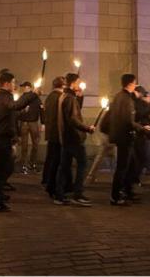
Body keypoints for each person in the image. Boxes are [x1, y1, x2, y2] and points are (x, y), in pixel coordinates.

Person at [0, 71, 39, 212]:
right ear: (6, 83)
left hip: (4, 137)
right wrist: (32, 94)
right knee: (2, 170)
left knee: (7, 167)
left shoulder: (5, 97)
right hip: (1, 138)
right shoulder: (3, 96)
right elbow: (14, 106)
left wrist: (22, 112)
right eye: (13, 82)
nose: (15, 85)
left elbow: (12, 112)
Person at [108, 74, 150, 206]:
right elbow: (128, 120)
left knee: (132, 164)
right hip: (125, 137)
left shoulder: (119, 96)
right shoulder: (125, 99)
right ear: (130, 84)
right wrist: (142, 128)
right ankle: (115, 196)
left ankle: (127, 191)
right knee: (122, 167)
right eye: (134, 83)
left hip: (123, 136)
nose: (135, 85)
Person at [54, 73, 95, 206]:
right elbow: (73, 119)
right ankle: (78, 194)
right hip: (73, 138)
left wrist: (80, 97)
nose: (79, 84)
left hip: (66, 137)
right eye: (78, 82)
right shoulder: (70, 98)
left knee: (64, 166)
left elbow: (74, 112)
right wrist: (87, 128)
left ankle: (59, 195)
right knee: (82, 164)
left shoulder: (64, 96)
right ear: (72, 84)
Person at [41, 76, 66, 196]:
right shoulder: (59, 97)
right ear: (63, 85)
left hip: (51, 131)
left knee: (51, 157)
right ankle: (52, 184)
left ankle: (46, 179)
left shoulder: (50, 96)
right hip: (58, 132)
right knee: (56, 159)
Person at [131, 86, 150, 186]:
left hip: (143, 133)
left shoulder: (140, 103)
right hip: (139, 134)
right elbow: (140, 115)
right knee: (140, 158)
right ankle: (134, 179)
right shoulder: (137, 103)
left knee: (141, 157)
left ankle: (135, 178)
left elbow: (149, 120)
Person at [17, 82, 42, 174]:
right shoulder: (22, 97)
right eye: (23, 87)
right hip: (24, 122)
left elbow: (41, 109)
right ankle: (23, 164)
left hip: (33, 122)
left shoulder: (35, 97)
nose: (23, 89)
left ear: (29, 87)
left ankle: (33, 163)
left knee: (35, 144)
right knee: (24, 145)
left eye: (24, 87)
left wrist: (43, 123)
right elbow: (18, 109)